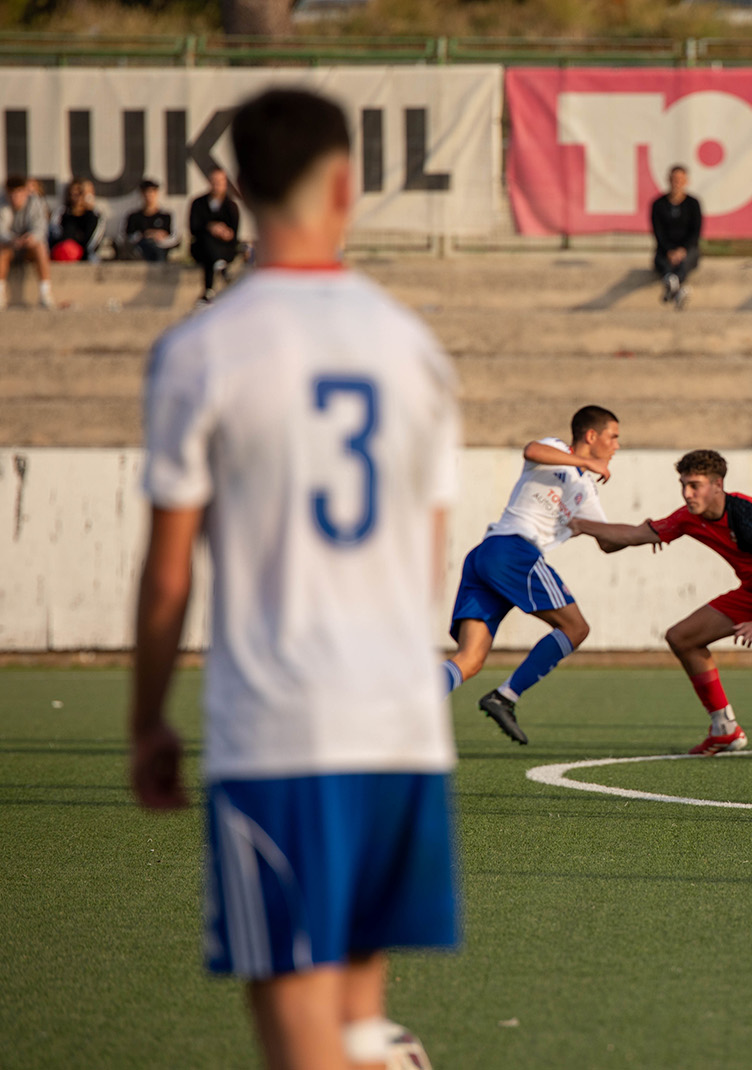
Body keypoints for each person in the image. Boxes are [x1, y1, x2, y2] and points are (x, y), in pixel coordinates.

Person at [130, 87, 460, 1070]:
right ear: (346, 184)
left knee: (299, 1038)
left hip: (279, 724)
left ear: (234, 189)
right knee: (359, 1019)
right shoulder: (414, 348)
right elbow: (428, 547)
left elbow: (169, 569)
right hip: (402, 723)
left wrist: (147, 717)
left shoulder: (201, 349)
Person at [569, 449, 752, 756]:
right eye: (683, 484)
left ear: (717, 485)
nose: (687, 493)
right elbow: (635, 534)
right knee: (681, 637)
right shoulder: (688, 517)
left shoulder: (749, 515)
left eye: (694, 485)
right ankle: (724, 729)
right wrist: (579, 524)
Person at [443, 406, 622, 745]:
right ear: (591, 436)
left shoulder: (586, 490)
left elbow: (608, 539)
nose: (616, 446)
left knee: (471, 659)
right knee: (576, 627)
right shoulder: (557, 450)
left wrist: (655, 532)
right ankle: (506, 696)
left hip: (488, 556)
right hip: (513, 550)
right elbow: (531, 450)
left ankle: (402, 711)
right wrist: (586, 462)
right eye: (613, 437)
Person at [650, 165, 701, 309]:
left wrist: (682, 250)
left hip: (687, 249)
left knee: (686, 260)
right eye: (674, 179)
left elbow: (695, 232)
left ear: (686, 181)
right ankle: (677, 289)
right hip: (666, 249)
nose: (676, 183)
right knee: (661, 260)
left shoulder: (693, 204)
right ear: (668, 180)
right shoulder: (658, 205)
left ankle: (672, 284)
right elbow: (658, 232)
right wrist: (669, 250)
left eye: (680, 180)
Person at [1, 175, 55, 309]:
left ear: (25, 192)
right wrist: (12, 240)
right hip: (10, 247)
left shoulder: (35, 202)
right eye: (12, 194)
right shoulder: (2, 203)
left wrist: (30, 238)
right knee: (2, 251)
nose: (15, 198)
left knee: (40, 247)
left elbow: (40, 228)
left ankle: (45, 293)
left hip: (29, 247)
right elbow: (1, 231)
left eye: (18, 193)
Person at [189, 165, 241, 304]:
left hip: (224, 248)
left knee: (212, 254)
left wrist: (224, 232)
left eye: (220, 181)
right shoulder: (198, 203)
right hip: (202, 248)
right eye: (214, 181)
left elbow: (234, 234)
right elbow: (193, 228)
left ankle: (208, 291)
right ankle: (220, 267)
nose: (217, 185)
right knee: (207, 242)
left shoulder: (231, 206)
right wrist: (210, 227)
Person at [51, 177, 105, 263]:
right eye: (72, 193)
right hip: (63, 251)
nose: (75, 197)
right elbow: (55, 234)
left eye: (79, 193)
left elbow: (93, 240)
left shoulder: (93, 215)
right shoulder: (63, 213)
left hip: (84, 254)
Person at [124, 179, 178, 262]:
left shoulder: (166, 216)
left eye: (151, 193)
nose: (149, 196)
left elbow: (174, 237)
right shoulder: (134, 216)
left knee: (156, 251)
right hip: (140, 248)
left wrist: (161, 237)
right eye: (146, 193)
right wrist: (145, 234)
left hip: (161, 247)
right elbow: (127, 237)